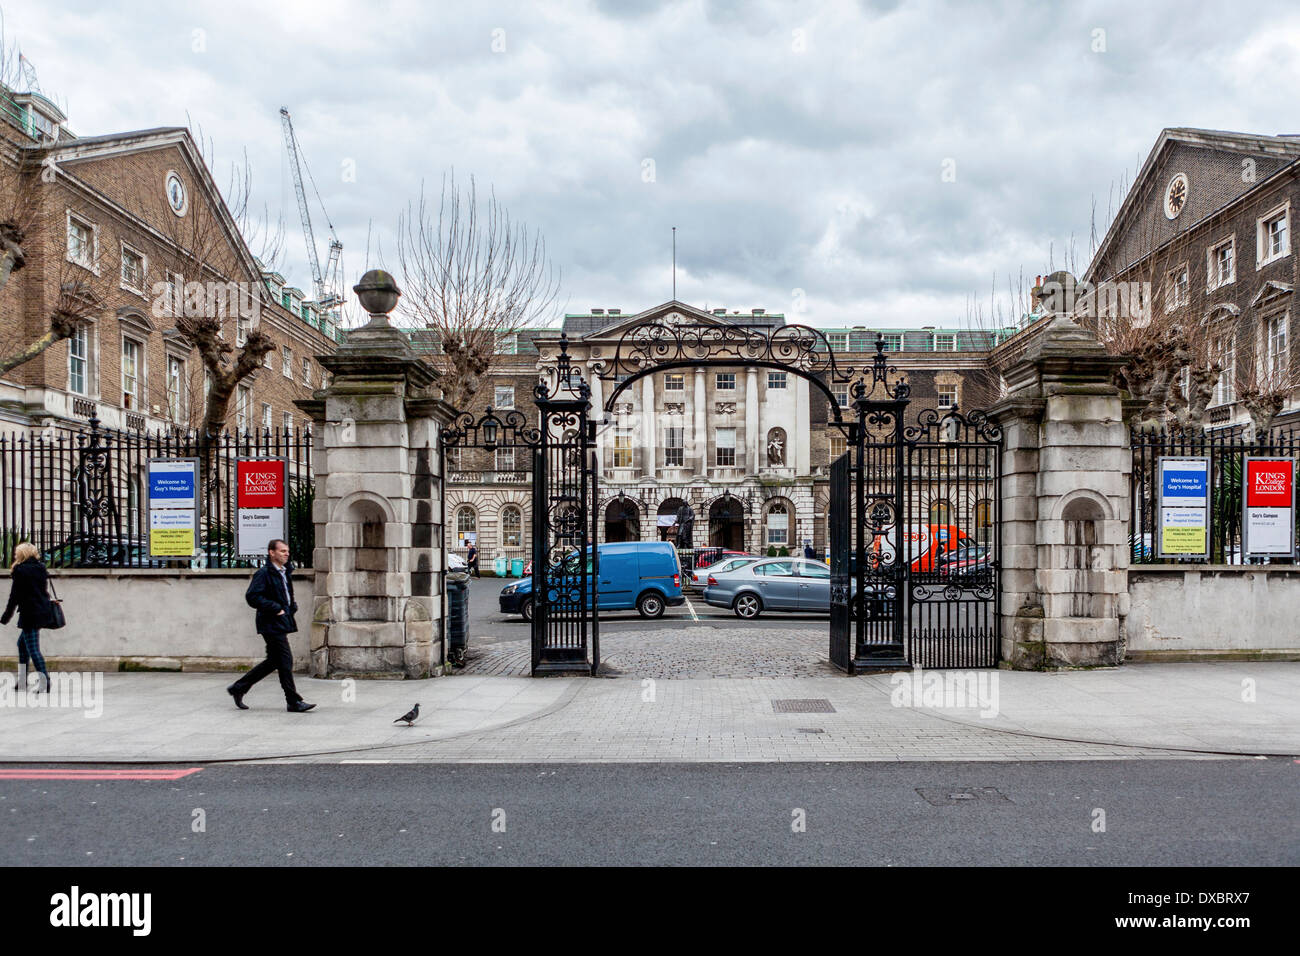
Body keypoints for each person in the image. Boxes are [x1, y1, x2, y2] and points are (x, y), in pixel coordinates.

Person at [228, 539, 315, 713]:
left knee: (274, 661)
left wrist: (291, 607)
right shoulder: (264, 573)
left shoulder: (284, 571)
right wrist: (276, 608)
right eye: (282, 551)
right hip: (270, 622)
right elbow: (252, 597)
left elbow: (286, 593)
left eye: (287, 551)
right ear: (271, 552)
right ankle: (293, 701)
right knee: (285, 660)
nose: (286, 554)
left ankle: (239, 687)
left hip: (281, 621)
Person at [1, 542, 54, 693]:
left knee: (33, 649)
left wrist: (6, 615)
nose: (15, 554)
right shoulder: (41, 568)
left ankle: (45, 681)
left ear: (22, 554)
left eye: (17, 552)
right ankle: (22, 680)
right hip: (41, 610)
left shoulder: (20, 570)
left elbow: (15, 595)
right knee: (22, 645)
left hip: (29, 613)